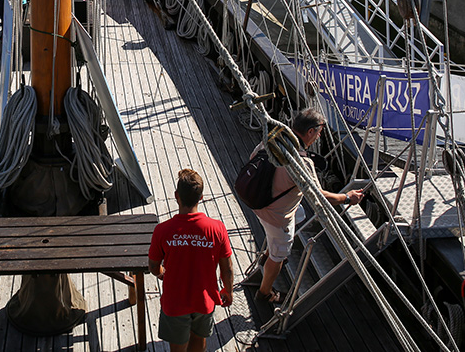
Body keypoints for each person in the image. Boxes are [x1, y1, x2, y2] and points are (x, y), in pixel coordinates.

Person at [253, 109, 364, 304]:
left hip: (257, 201)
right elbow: (319, 196)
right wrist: (347, 197)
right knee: (280, 253)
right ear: (311, 132)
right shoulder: (302, 162)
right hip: (275, 215)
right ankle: (265, 292)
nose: (319, 137)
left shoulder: (272, 139)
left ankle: (268, 254)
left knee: (299, 213)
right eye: (319, 133)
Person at [148, 169, 233, 352]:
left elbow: (154, 266)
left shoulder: (162, 230)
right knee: (199, 342)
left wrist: (162, 273)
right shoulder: (218, 229)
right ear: (201, 197)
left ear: (176, 196)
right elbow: (227, 268)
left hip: (175, 302)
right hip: (205, 300)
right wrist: (228, 290)